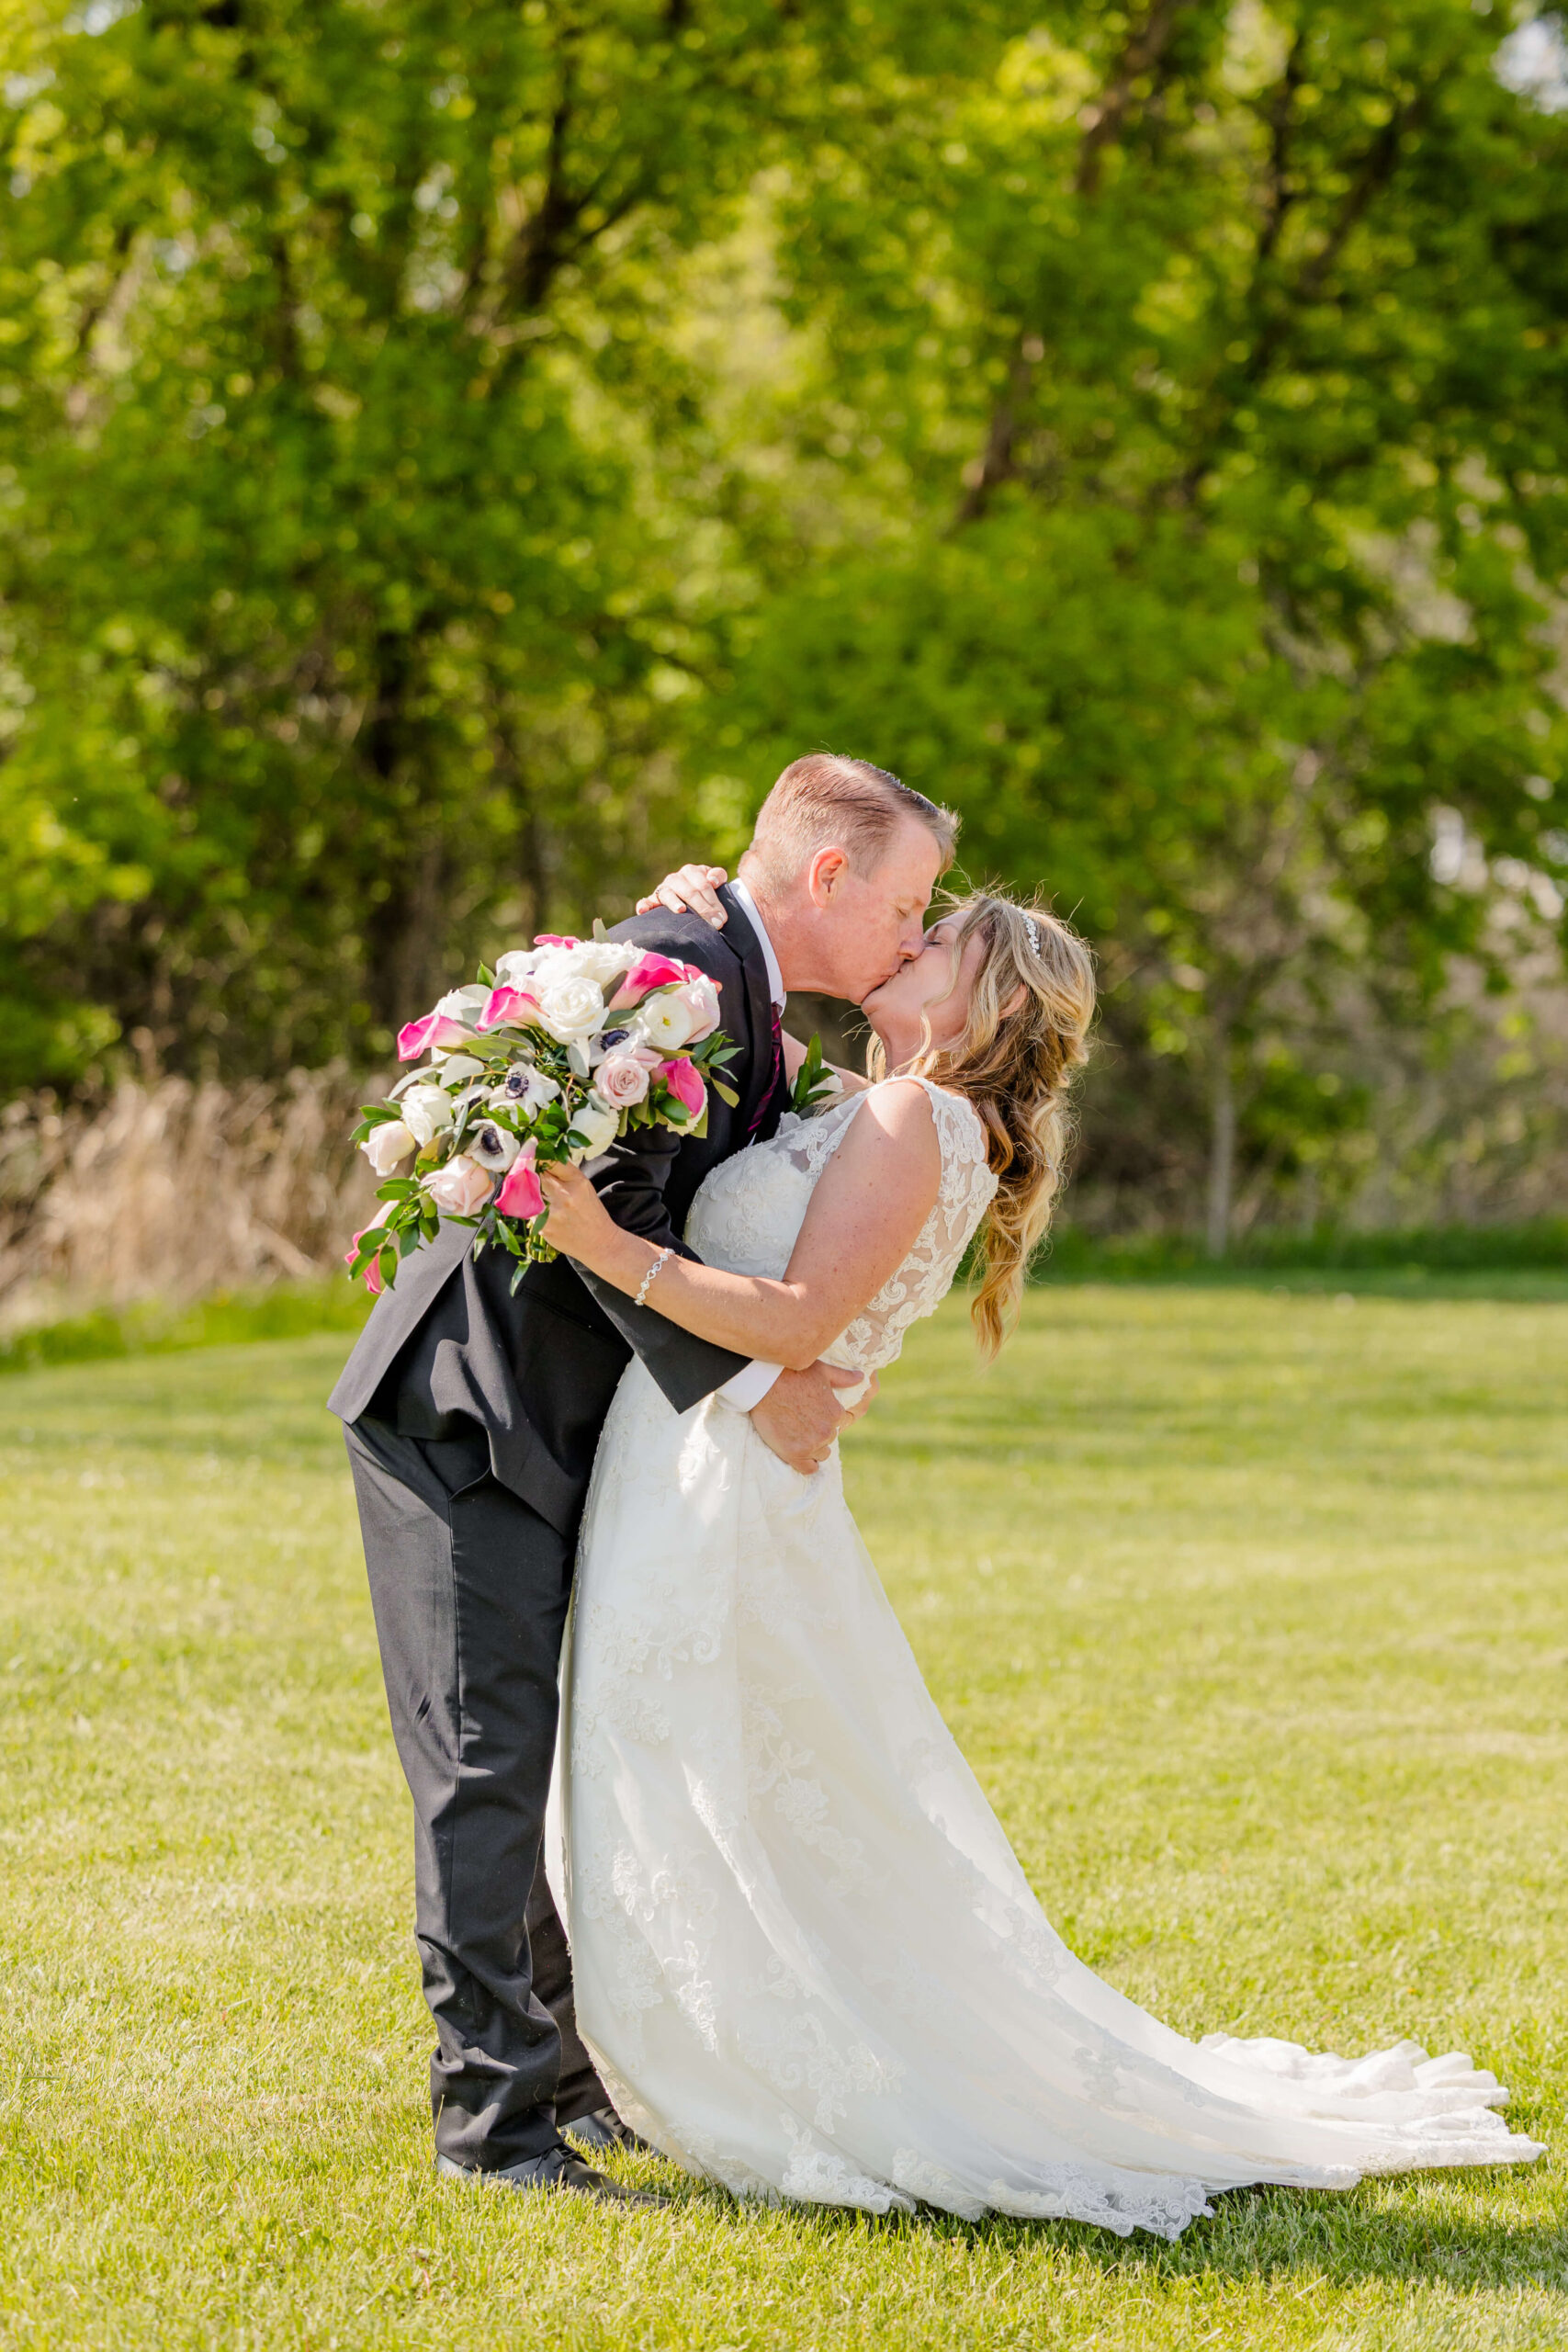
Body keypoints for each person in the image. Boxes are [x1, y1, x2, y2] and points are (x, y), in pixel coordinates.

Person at [535, 885, 1544, 2233]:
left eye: (935, 940)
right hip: (701, 1468)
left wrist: (602, 1245)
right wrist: (679, 912)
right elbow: (762, 1128)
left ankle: (760, 2059)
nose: (906, 943)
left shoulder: (914, 1118)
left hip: (722, 1487)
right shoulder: (884, 1103)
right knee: (727, 1771)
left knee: (709, 1764)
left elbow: (797, 1319)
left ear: (989, 1000)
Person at [327, 754, 954, 2204]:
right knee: (484, 1765)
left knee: (538, 1757)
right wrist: (754, 1384)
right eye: (908, 903)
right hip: (466, 1406)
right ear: (828, 875)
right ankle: (495, 2129)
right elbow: (585, 1217)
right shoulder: (673, 967)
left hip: (571, 1426)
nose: (915, 936)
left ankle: (559, 2080)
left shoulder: (738, 996)